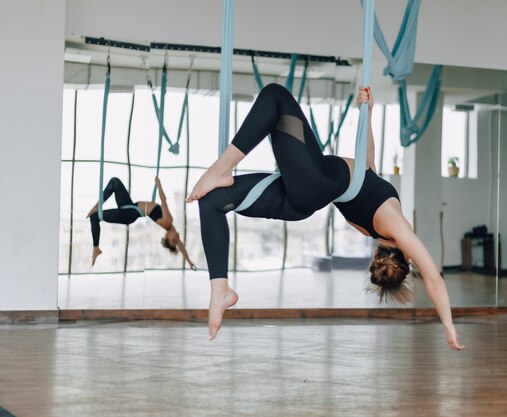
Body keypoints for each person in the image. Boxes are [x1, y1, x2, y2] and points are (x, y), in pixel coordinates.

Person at [186, 83, 464, 350]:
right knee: (212, 199)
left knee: (275, 96)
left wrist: (449, 325)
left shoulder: (394, 224)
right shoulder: (373, 228)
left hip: (316, 181)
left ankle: (221, 167)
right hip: (302, 202)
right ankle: (220, 288)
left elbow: (434, 279)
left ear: (406, 257)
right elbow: (367, 164)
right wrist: (366, 113)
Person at [87, 176, 196, 270]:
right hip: (129, 206)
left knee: (94, 216)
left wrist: (159, 184)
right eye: (176, 240)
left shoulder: (168, 222)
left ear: (167, 236)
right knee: (115, 182)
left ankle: (96, 247)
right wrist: (190, 263)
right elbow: (182, 248)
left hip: (130, 213)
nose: (177, 238)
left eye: (173, 240)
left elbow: (164, 200)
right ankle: (97, 207)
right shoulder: (170, 226)